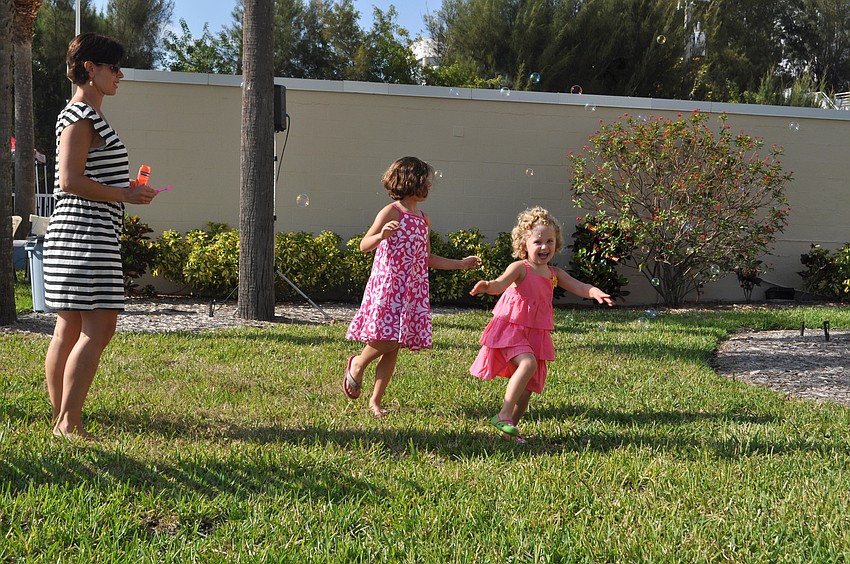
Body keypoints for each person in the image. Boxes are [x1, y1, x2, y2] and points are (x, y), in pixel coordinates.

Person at [43, 33, 158, 440]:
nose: (119, 75)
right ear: (90, 68)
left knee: (69, 328)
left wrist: (124, 189)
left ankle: (62, 418)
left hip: (78, 233)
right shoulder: (81, 116)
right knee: (99, 327)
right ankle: (68, 423)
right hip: (86, 235)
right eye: (114, 67)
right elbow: (69, 180)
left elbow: (84, 176)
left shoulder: (82, 114)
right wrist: (124, 194)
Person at [345, 156, 482, 417]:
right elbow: (364, 245)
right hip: (390, 286)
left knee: (395, 346)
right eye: (424, 180)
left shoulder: (423, 219)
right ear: (409, 181)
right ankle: (358, 364)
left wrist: (460, 264)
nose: (429, 184)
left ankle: (376, 401)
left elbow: (427, 258)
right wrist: (381, 235)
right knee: (386, 340)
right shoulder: (391, 211)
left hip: (412, 290)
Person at [469, 207, 614, 442]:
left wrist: (593, 291)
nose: (544, 246)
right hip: (513, 329)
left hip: (536, 333)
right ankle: (503, 413)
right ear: (524, 244)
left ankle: (509, 431)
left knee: (528, 388)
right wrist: (488, 286)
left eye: (550, 241)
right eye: (537, 241)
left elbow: (579, 286)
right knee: (527, 364)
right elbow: (500, 284)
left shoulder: (554, 273)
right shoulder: (520, 268)